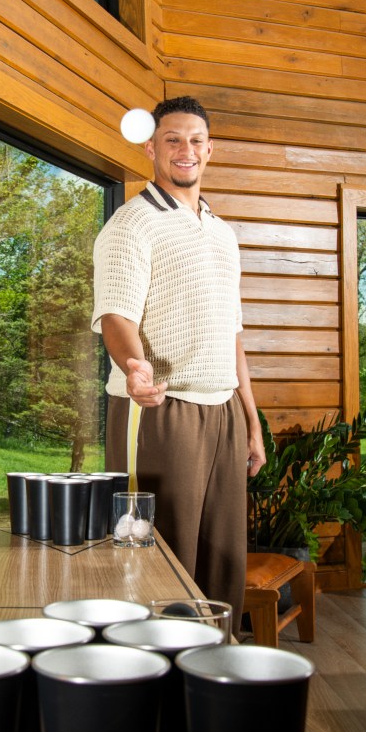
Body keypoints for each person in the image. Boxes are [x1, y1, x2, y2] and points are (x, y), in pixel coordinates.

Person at [91, 96, 266, 631]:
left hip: (224, 414)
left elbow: (232, 333)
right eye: (173, 139)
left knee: (222, 562)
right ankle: (152, 686)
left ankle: (211, 678)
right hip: (162, 412)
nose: (185, 150)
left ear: (209, 149)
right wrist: (136, 367)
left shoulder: (221, 232)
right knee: (158, 557)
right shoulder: (131, 223)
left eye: (195, 140)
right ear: (152, 148)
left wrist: (251, 420)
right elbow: (115, 315)